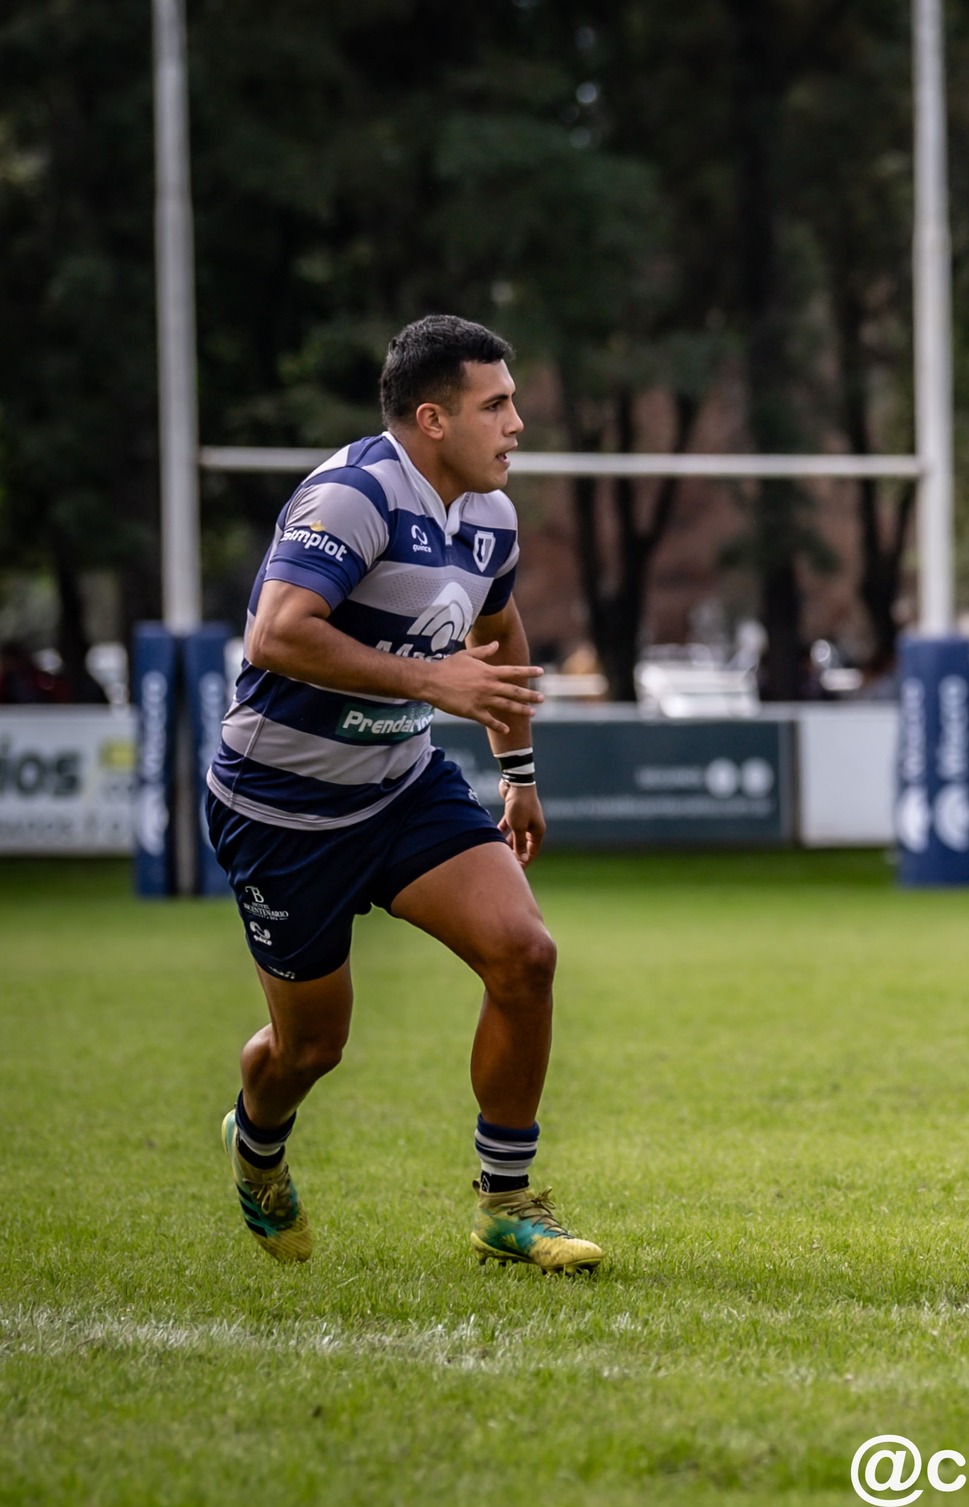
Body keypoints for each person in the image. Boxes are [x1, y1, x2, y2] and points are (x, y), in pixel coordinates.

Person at [206, 315, 602, 1273]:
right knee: (310, 1049)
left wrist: (518, 775)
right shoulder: (354, 496)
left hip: (402, 786)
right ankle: (257, 1142)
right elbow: (276, 634)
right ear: (433, 418)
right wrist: (433, 680)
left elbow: (499, 636)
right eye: (495, 405)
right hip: (283, 807)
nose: (516, 423)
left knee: (526, 955)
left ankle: (506, 1204)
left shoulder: (491, 515)